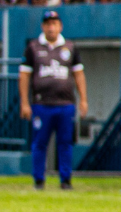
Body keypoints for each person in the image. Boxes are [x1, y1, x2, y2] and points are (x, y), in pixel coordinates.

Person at [19, 10, 87, 191]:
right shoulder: (33, 48)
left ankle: (65, 180)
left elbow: (78, 74)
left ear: (60, 26)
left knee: (65, 143)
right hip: (41, 104)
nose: (51, 27)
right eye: (48, 24)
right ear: (43, 26)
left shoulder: (70, 47)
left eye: (54, 23)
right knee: (40, 142)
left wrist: (83, 100)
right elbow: (24, 76)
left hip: (65, 104)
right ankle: (39, 180)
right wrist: (25, 102)